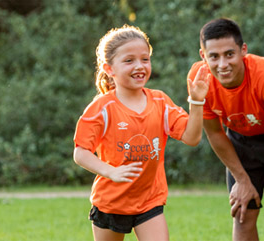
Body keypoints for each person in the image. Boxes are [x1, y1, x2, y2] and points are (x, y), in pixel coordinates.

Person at [73, 25, 209, 241]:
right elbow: (80, 153)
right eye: (129, 61)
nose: (140, 66)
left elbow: (192, 138)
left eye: (145, 59)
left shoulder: (160, 102)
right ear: (110, 69)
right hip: (111, 202)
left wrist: (197, 101)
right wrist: (111, 172)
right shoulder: (102, 108)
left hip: (150, 200)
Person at [187, 18, 264, 241]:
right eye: (214, 56)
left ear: (243, 50)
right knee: (243, 214)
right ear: (203, 55)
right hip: (241, 141)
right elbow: (214, 133)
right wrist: (242, 181)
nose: (223, 64)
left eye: (229, 54)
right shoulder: (199, 79)